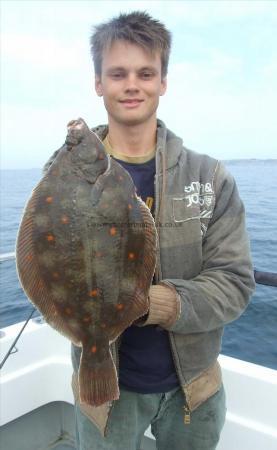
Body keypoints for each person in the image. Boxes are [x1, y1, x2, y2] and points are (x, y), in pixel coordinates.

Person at [44, 11, 255, 450]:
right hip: (103, 392)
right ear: (98, 83)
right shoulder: (58, 175)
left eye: (146, 73)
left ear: (163, 81)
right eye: (118, 73)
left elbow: (234, 283)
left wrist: (147, 305)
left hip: (193, 387)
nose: (132, 85)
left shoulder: (209, 177)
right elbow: (46, 259)